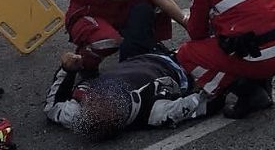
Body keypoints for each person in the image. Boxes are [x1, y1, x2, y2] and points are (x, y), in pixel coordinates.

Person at [45, 50, 211, 137]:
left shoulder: (78, 114)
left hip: (135, 55)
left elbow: (51, 107)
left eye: (93, 99)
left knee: (140, 5)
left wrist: (67, 70)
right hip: (181, 64)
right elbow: (204, 101)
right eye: (105, 100)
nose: (95, 96)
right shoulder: (154, 112)